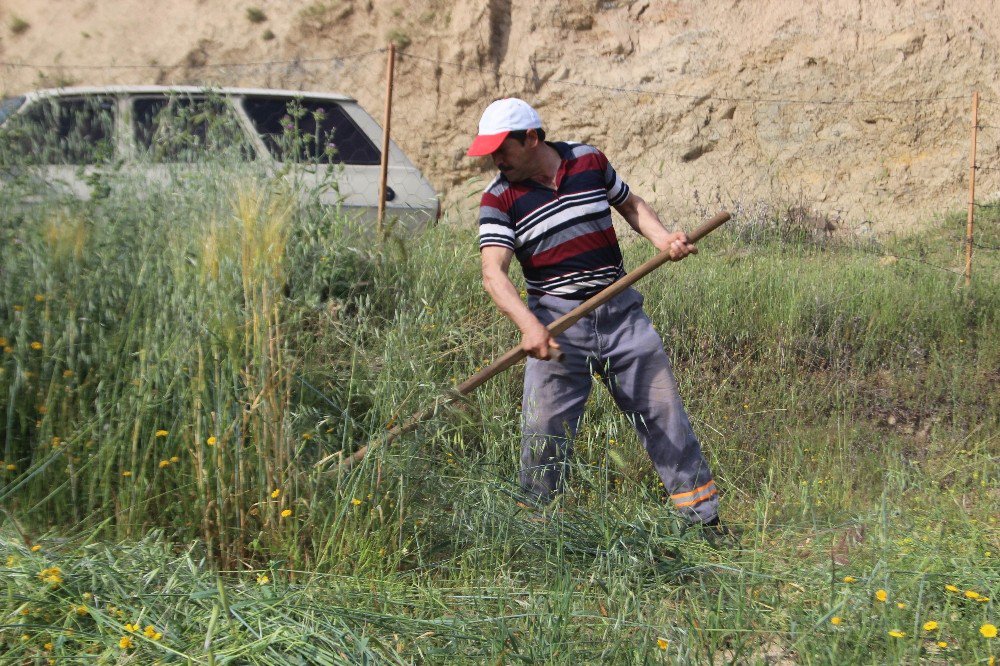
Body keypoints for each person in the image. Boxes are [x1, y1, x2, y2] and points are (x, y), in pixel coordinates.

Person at [468, 97, 724, 530]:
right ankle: (537, 533)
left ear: (531, 138)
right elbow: (493, 272)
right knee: (543, 434)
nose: (495, 159)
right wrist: (530, 326)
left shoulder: (587, 160)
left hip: (622, 312)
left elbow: (629, 203)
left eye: (501, 148)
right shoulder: (499, 198)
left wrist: (663, 239)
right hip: (557, 325)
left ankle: (704, 523)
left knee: (666, 416)